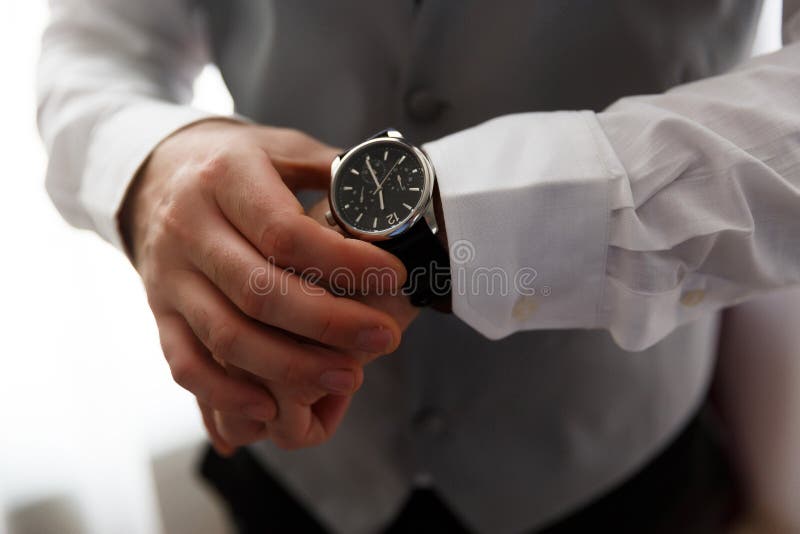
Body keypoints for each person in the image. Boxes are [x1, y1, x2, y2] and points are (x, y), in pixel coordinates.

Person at [37, 1, 800, 533]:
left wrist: (451, 224)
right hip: (294, 463)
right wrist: (151, 164)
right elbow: (95, 44)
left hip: (613, 462)